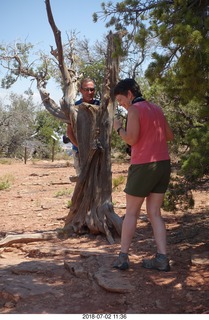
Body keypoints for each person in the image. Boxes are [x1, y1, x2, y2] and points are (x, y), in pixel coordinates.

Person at [113, 78, 174, 272]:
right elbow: (169, 136)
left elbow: (131, 138)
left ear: (130, 94)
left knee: (131, 212)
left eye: (121, 99)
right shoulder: (156, 108)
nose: (121, 104)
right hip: (163, 164)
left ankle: (123, 257)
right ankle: (162, 258)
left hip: (143, 165)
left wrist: (118, 128)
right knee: (155, 213)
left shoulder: (133, 110)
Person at [66, 77, 100, 181]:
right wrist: (80, 147)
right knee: (83, 182)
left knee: (97, 182)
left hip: (98, 152)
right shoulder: (75, 107)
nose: (89, 92)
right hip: (79, 152)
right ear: (80, 90)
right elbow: (69, 132)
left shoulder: (100, 106)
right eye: (86, 89)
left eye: (92, 89)